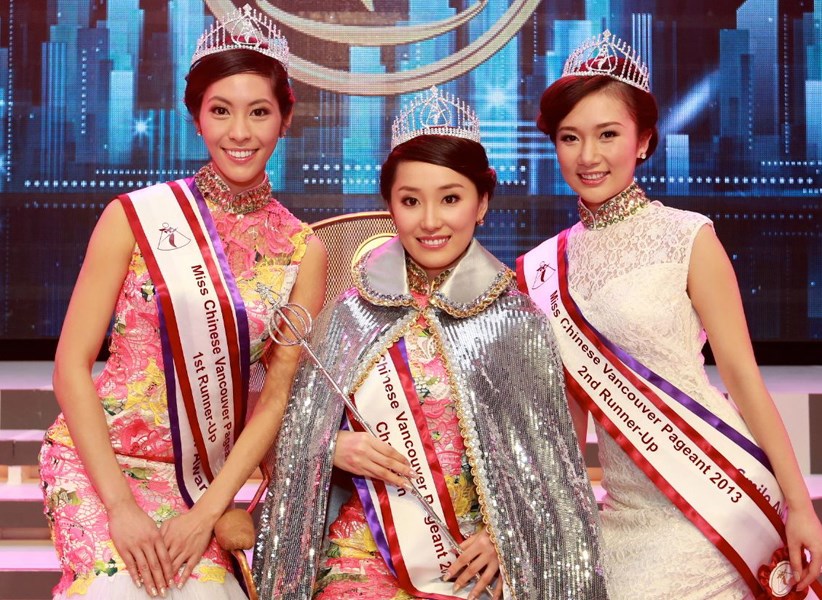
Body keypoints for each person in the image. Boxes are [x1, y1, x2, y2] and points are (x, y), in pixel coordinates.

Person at [252, 86, 607, 599]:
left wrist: (505, 538)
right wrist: (331, 447)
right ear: (390, 207)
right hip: (357, 554)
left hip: (473, 562)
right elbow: (289, 432)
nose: (431, 221)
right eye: (410, 201)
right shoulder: (349, 315)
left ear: (482, 203)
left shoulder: (517, 324)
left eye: (451, 199)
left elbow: (552, 476)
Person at [517, 30, 822, 600]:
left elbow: (743, 380)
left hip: (719, 497)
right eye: (570, 138)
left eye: (608, 134)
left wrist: (800, 506)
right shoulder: (543, 268)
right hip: (622, 512)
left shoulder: (688, 237)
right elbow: (570, 417)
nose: (588, 156)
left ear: (643, 139)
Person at [38, 5, 326, 598]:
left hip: (202, 485)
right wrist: (119, 506)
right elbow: (70, 368)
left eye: (259, 112)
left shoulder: (305, 250)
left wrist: (207, 513)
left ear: (286, 117)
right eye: (220, 111)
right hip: (99, 465)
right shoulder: (133, 218)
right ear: (195, 116)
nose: (239, 133)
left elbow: (275, 401)